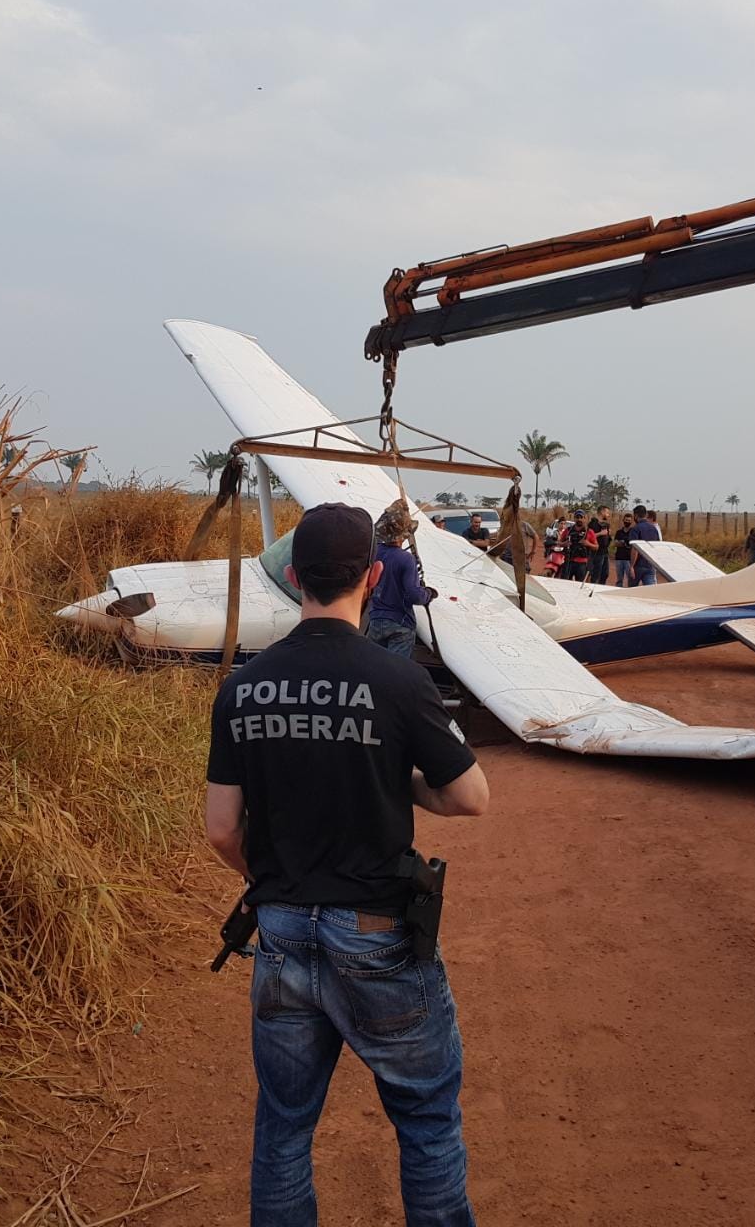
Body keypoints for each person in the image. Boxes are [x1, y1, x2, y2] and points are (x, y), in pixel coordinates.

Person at [205, 503, 489, 1227]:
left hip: (282, 935)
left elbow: (220, 830)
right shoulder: (397, 681)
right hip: (378, 932)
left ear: (295, 577)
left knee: (284, 1127)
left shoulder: (243, 687)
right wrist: (402, 782)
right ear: (369, 576)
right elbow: (469, 797)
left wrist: (268, 886)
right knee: (425, 1120)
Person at [366, 501, 436, 658]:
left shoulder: (375, 553)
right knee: (396, 671)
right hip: (400, 624)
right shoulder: (406, 559)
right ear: (404, 535)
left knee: (373, 668)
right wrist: (429, 593)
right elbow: (415, 595)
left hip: (376, 620)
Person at [629, 504, 662, 586]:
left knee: (631, 592)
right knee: (650, 591)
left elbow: (635, 549)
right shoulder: (654, 528)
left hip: (638, 565)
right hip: (650, 565)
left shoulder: (635, 529)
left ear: (635, 515)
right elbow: (656, 547)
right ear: (646, 515)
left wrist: (632, 566)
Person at [563, 509, 597, 582]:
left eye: (581, 517)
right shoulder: (568, 530)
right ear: (574, 518)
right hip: (569, 562)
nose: (579, 519)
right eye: (577, 517)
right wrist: (564, 544)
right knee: (565, 584)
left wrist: (588, 544)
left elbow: (596, 547)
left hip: (582, 563)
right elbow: (559, 542)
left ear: (584, 518)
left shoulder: (589, 532)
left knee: (580, 585)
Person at [588, 506, 612, 584]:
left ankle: (601, 587)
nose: (608, 515)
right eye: (607, 513)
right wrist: (600, 533)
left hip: (605, 552)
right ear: (602, 512)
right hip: (596, 553)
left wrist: (609, 536)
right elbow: (588, 537)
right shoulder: (593, 524)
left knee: (605, 574)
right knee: (596, 574)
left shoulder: (606, 525)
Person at [612, 512, 635, 587]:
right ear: (623, 520)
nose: (627, 522)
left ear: (631, 522)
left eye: (629, 520)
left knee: (630, 579)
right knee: (619, 579)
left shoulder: (633, 532)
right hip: (619, 558)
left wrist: (622, 542)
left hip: (629, 559)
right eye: (626, 520)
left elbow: (633, 545)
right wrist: (624, 543)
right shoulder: (619, 532)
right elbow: (615, 543)